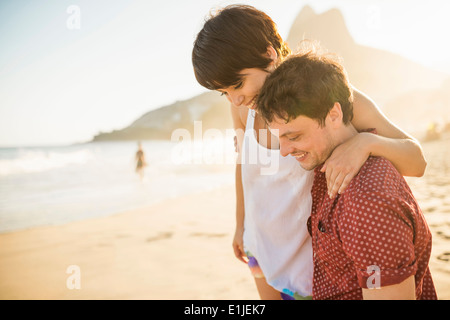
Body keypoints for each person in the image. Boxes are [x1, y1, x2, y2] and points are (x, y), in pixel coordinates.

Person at [192, 4, 427, 300]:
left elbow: (417, 161)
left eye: (238, 84)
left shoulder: (325, 97)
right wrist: (241, 225)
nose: (236, 99)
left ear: (269, 53)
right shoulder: (241, 110)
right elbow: (245, 167)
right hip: (259, 245)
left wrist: (366, 143)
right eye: (225, 92)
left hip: (306, 259)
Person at [256, 49, 437, 300]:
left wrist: (367, 142)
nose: (284, 152)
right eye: (280, 140)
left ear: (334, 115)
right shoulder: (328, 166)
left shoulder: (367, 200)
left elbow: (418, 161)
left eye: (294, 136)